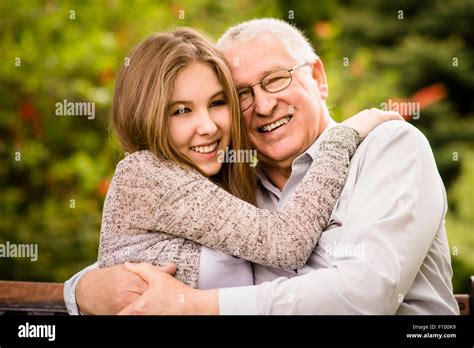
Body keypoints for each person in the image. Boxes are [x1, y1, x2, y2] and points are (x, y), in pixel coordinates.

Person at [65, 19, 459, 315]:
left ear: (318, 77)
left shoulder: (389, 148)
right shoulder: (236, 185)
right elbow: (137, 251)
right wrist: (84, 289)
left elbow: (369, 294)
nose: (264, 105)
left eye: (275, 80)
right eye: (241, 95)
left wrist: (198, 305)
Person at [97, 27, 395, 291]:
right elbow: (286, 244)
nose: (209, 127)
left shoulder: (223, 177)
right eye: (182, 111)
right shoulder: (146, 174)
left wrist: (80, 288)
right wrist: (341, 138)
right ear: (145, 115)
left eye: (217, 103)